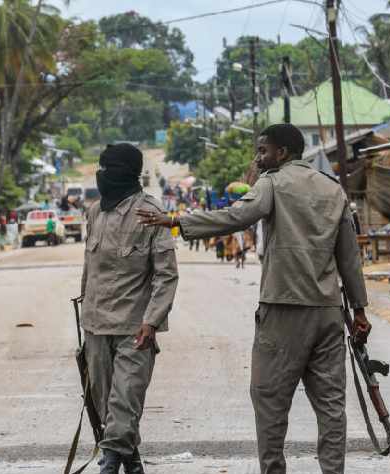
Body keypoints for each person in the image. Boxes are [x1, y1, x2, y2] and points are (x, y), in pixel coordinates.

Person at [136, 123, 371, 474]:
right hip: (328, 312)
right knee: (331, 405)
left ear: (283, 152)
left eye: (263, 151)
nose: (258, 159)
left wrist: (174, 221)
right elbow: (349, 257)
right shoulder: (332, 188)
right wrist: (360, 310)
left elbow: (236, 216)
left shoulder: (272, 183)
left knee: (269, 399)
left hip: (283, 310)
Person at [81, 143, 179, 474]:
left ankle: (108, 465)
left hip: (135, 329)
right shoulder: (95, 212)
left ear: (125, 173)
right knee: (106, 407)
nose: (101, 174)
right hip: (96, 327)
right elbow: (89, 269)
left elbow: (166, 275)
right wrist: (84, 320)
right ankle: (132, 463)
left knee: (125, 400)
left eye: (107, 168)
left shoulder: (150, 213)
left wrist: (152, 321)